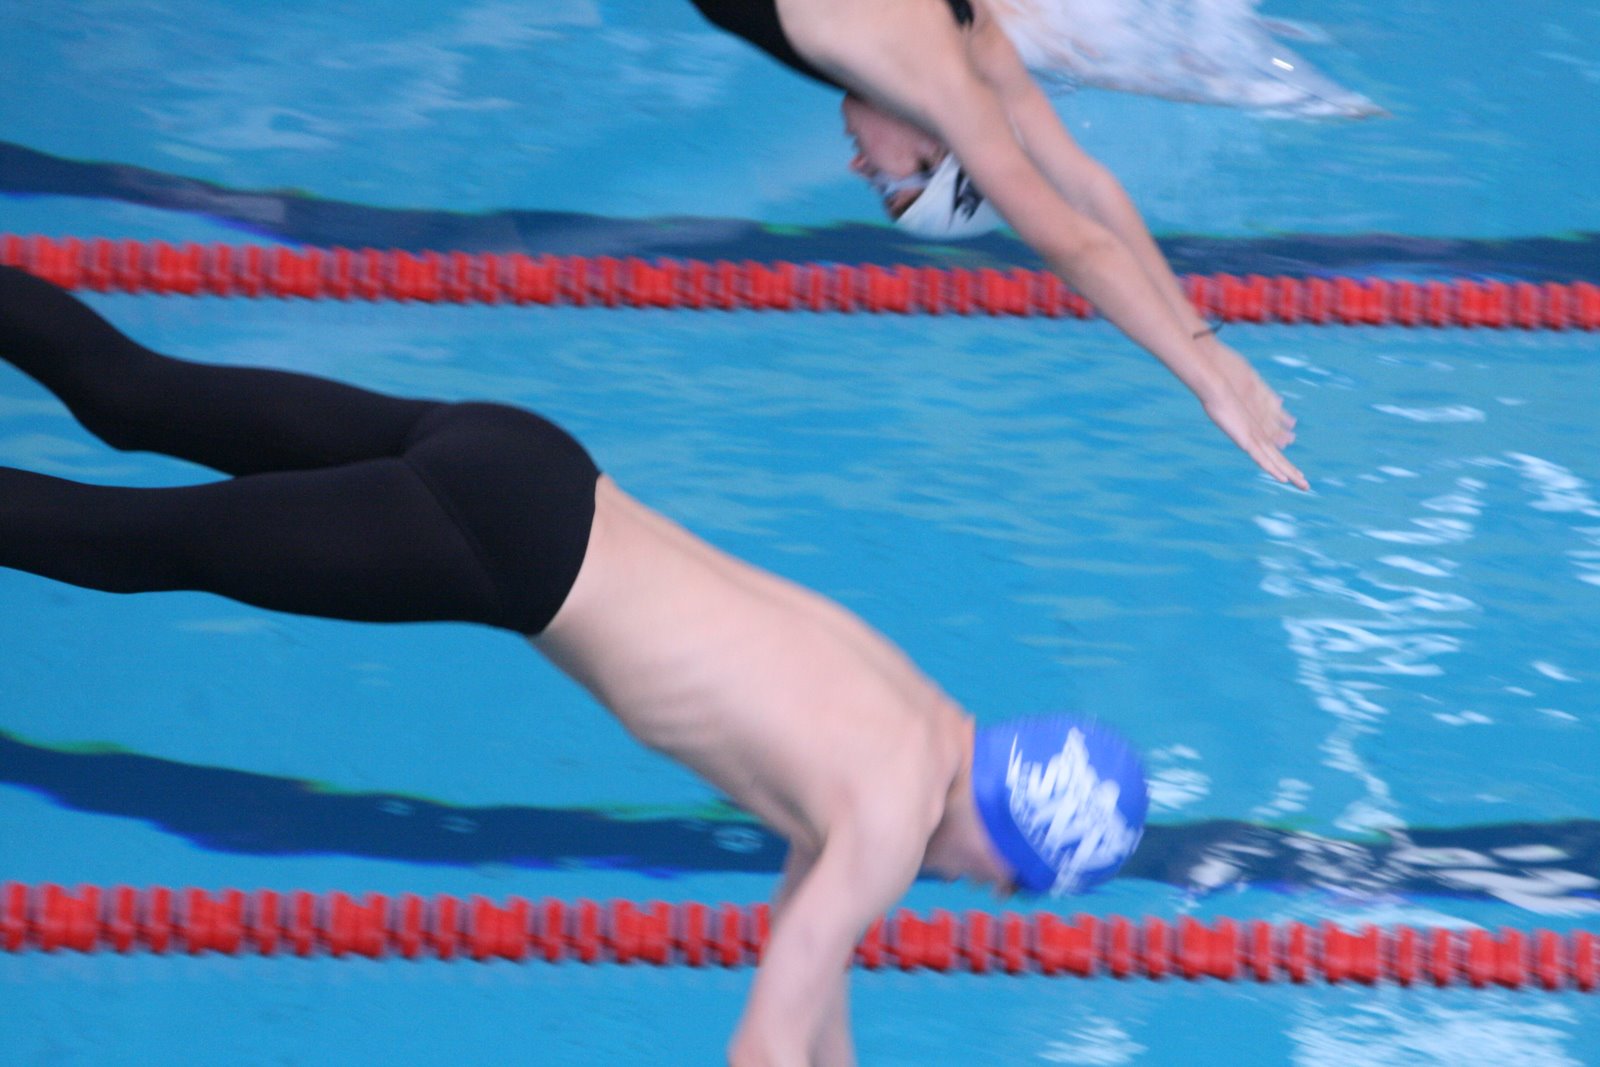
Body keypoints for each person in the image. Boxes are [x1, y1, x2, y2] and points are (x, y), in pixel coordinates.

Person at [0, 265, 1147, 1066]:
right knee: (129, 545)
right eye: (1011, 878)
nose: (987, 893)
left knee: (133, 393)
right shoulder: (888, 820)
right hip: (498, 545)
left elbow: (814, 977)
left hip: (527, 458)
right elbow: (761, 1044)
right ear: (1011, 830)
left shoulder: (911, 727)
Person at [688, 0, 1312, 493]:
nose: (859, 167)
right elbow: (1075, 236)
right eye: (888, 185)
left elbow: (1086, 186)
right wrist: (1205, 377)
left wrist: (1203, 340)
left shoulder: (972, 34)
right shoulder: (940, 79)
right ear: (937, 150)